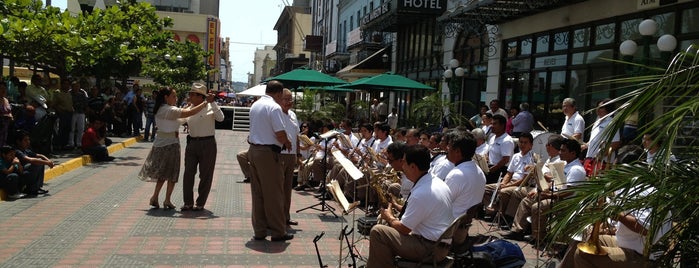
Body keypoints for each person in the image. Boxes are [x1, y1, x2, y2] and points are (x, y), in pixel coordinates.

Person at [367, 145, 454, 267]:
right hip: (439, 244)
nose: (402, 167)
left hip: (430, 248)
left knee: (378, 231)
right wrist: (397, 207)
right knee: (388, 230)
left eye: (405, 163)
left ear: (413, 166)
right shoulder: (435, 181)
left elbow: (404, 228)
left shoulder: (422, 192)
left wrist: (389, 217)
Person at [138, 87, 211, 210]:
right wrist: (204, 103)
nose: (175, 99)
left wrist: (190, 106)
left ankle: (157, 197)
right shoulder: (167, 109)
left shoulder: (164, 109)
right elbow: (187, 113)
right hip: (169, 144)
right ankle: (164, 199)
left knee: (163, 173)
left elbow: (182, 114)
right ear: (166, 97)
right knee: (171, 174)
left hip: (165, 143)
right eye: (173, 96)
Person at [247, 80, 294, 242]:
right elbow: (280, 132)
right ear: (279, 94)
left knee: (258, 193)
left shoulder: (256, 105)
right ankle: (277, 231)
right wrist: (287, 142)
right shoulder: (274, 107)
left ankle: (259, 230)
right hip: (268, 152)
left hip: (253, 150)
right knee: (274, 194)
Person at [181, 83, 223, 211]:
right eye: (190, 94)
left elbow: (221, 118)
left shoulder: (210, 106)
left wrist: (213, 103)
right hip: (192, 142)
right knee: (188, 173)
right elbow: (180, 120)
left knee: (206, 175)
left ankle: (200, 203)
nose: (190, 96)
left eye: (193, 94)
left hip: (208, 143)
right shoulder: (189, 108)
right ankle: (188, 202)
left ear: (200, 97)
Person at [444, 129, 486, 218]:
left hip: (447, 227)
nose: (447, 148)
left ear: (457, 151)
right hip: (461, 226)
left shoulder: (456, 174)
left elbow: (440, 203)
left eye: (449, 146)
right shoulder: (479, 171)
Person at [582, 99, 621, 176]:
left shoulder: (612, 123)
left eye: (601, 107)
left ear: (608, 109)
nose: (598, 109)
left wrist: (600, 156)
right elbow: (594, 140)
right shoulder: (597, 122)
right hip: (590, 158)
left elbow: (616, 143)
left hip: (602, 161)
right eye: (597, 107)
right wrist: (585, 145)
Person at [278, 88, 299, 226]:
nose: (289, 102)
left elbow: (296, 135)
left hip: (291, 156)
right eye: (286, 99)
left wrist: (297, 154)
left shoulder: (293, 114)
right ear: (279, 99)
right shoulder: (277, 114)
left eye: (290, 99)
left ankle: (286, 216)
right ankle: (277, 218)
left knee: (287, 188)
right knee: (278, 188)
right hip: (279, 154)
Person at [14, 130, 52, 196]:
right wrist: (46, 162)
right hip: (20, 176)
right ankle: (31, 189)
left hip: (26, 173)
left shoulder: (26, 150)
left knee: (40, 162)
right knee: (37, 163)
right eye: (25, 140)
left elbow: (40, 155)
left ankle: (37, 187)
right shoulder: (17, 151)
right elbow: (30, 160)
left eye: (28, 140)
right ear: (18, 142)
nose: (28, 142)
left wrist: (48, 161)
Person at [485, 114, 515, 184]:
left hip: (500, 170)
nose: (492, 126)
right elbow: (489, 152)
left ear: (502, 125)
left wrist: (492, 169)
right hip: (490, 168)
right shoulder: (492, 138)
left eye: (495, 124)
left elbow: (505, 159)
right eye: (491, 123)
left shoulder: (507, 140)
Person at [68, 80, 88, 149]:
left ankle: (79, 143)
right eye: (75, 86)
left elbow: (85, 103)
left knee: (81, 128)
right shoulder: (69, 93)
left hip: (81, 112)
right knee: (72, 128)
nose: (76, 87)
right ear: (72, 87)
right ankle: (71, 143)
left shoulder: (82, 93)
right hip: (73, 113)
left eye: (78, 86)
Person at [0, 81, 13, 147]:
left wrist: (10, 115)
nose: (3, 90)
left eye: (4, 88)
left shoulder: (6, 100)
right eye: (1, 88)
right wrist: (4, 115)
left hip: (5, 126)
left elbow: (9, 111)